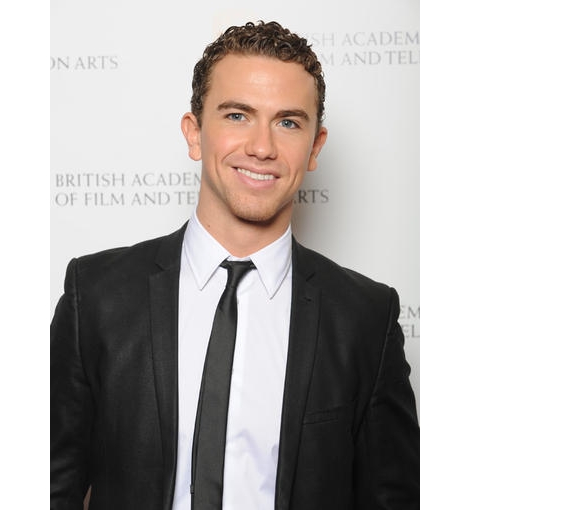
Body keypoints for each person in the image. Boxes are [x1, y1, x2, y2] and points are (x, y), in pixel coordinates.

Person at [51, 20, 419, 510]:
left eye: (288, 122)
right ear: (194, 133)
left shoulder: (366, 317)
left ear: (315, 146)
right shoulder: (96, 294)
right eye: (238, 115)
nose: (262, 147)